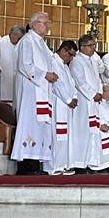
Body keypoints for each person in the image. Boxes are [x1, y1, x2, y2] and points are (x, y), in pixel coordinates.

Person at [11, 12, 57, 174]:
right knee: (29, 125)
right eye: (45, 23)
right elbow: (25, 65)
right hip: (31, 91)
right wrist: (45, 75)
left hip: (42, 90)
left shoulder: (41, 43)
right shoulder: (27, 41)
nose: (47, 26)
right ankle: (25, 166)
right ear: (35, 24)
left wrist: (52, 74)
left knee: (40, 126)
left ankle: (35, 163)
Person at [42, 41, 79, 175]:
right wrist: (68, 99)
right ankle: (53, 166)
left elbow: (71, 83)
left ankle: (63, 164)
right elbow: (57, 85)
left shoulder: (64, 65)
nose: (71, 58)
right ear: (63, 50)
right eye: (70, 54)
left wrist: (74, 96)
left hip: (66, 105)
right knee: (56, 135)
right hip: (57, 103)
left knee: (65, 135)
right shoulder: (53, 62)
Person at [70, 34, 105, 173]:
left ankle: (91, 162)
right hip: (84, 103)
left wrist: (100, 92)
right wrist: (93, 94)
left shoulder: (92, 60)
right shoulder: (77, 61)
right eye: (91, 45)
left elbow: (97, 79)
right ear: (82, 47)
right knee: (82, 132)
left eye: (94, 45)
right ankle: (80, 163)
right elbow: (80, 82)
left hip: (93, 102)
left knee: (93, 132)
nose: (93, 48)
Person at [86, 80, 109, 173]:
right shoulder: (91, 102)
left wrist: (108, 125)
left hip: (103, 126)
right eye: (105, 91)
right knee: (102, 136)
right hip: (94, 127)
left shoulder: (107, 103)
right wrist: (100, 125)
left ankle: (107, 164)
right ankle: (97, 165)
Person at [0, 25, 25, 102]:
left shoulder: (21, 44)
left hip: (18, 80)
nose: (19, 41)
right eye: (19, 38)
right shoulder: (0, 43)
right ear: (12, 34)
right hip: (4, 79)